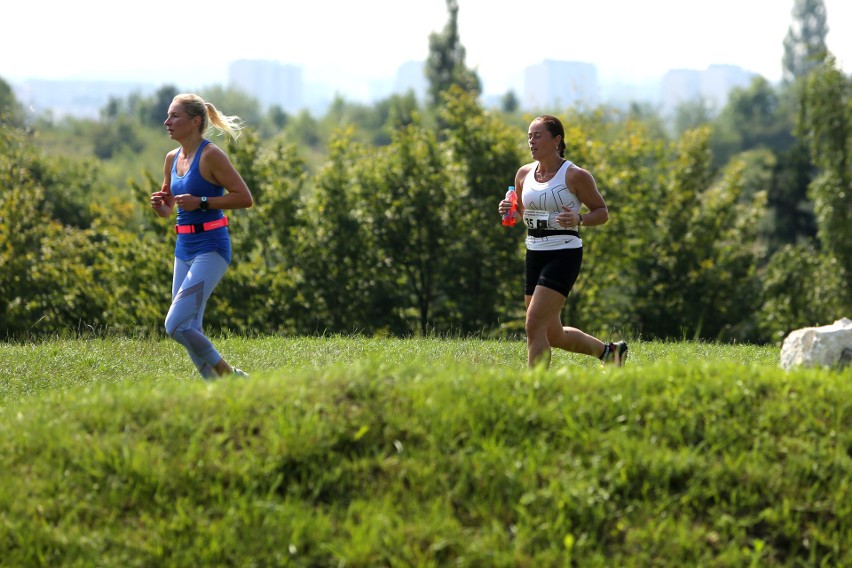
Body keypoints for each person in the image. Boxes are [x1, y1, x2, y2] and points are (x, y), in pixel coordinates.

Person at [498, 115, 627, 368]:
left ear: (557, 140)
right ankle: (610, 354)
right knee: (551, 333)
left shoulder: (576, 175)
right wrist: (509, 210)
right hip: (534, 252)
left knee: (533, 323)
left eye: (538, 136)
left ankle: (537, 389)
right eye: (529, 136)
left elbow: (602, 213)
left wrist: (579, 218)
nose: (531, 141)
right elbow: (525, 215)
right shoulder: (524, 174)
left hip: (563, 253)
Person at [149, 93, 253, 379]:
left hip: (211, 248)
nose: (166, 121)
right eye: (169, 116)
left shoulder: (211, 155)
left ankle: (229, 374)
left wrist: (203, 202)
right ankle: (217, 387)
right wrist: (161, 205)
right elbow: (169, 209)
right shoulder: (171, 159)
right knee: (189, 327)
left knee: (175, 325)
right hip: (183, 248)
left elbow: (244, 198)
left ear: (195, 121)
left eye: (174, 116)